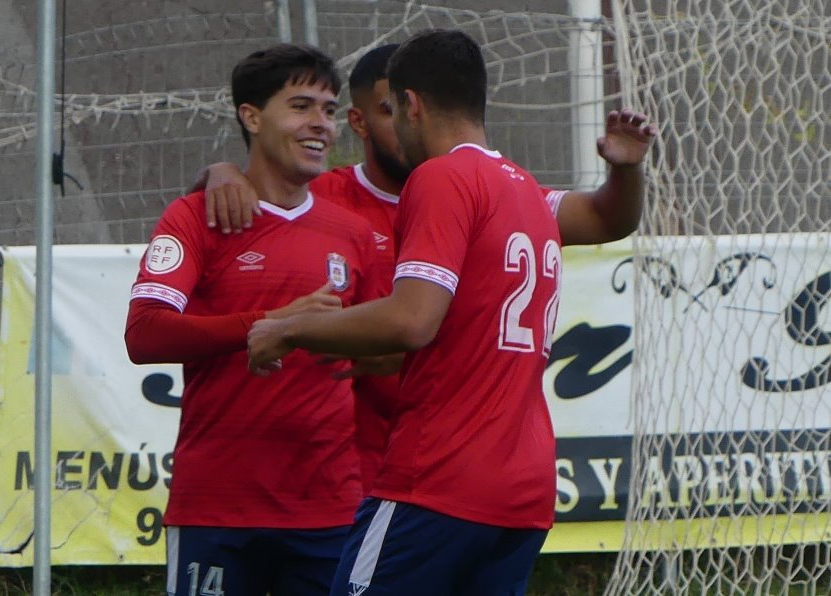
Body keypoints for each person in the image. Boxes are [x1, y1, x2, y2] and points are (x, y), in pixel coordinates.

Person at [247, 29, 657, 596]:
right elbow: (611, 219)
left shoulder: (442, 177)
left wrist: (290, 327)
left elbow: (413, 320)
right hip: (522, 491)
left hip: (439, 478)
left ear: (411, 105)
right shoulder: (519, 188)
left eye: (394, 108)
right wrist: (627, 170)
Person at [124, 43, 385, 596]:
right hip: (217, 507)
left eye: (329, 109)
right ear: (251, 115)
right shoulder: (196, 215)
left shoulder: (354, 233)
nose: (320, 124)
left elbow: (387, 345)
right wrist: (271, 322)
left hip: (329, 508)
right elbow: (145, 333)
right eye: (301, 106)